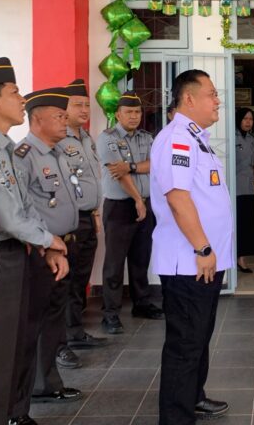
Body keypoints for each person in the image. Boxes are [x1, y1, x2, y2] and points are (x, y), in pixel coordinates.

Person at [0, 58, 68, 425]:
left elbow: (25, 205)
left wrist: (44, 244)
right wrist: (49, 240)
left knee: (20, 340)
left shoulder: (5, 148)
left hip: (18, 253)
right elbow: (7, 215)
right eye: (15, 93)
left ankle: (15, 413)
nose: (22, 99)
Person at [151, 69, 232, 425]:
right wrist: (202, 248)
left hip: (201, 262)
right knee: (185, 345)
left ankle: (193, 397)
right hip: (189, 262)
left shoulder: (195, 138)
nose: (217, 101)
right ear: (188, 99)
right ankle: (176, 417)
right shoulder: (177, 140)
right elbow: (178, 198)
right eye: (212, 94)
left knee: (198, 339)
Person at [9, 88, 82, 423]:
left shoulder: (58, 152)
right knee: (34, 324)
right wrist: (46, 245)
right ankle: (25, 398)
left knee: (53, 319)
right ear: (37, 119)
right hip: (40, 252)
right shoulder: (24, 155)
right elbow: (20, 209)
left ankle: (48, 382)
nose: (65, 122)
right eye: (59, 116)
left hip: (63, 246)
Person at [97, 90, 163, 335]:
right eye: (129, 112)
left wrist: (133, 166)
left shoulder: (146, 137)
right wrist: (137, 199)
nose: (134, 116)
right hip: (120, 207)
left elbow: (155, 164)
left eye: (137, 112)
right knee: (114, 263)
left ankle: (141, 303)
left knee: (140, 258)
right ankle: (110, 314)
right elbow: (118, 172)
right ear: (118, 114)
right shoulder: (107, 138)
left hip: (144, 204)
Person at [55, 79, 106, 370]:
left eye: (87, 104)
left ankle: (75, 332)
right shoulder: (60, 140)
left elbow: (91, 180)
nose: (85, 109)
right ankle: (59, 343)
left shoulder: (86, 138)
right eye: (78, 105)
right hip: (70, 220)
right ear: (65, 108)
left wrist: (96, 215)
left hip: (88, 217)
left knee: (80, 279)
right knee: (65, 282)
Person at [235, 107, 254, 273]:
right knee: (237, 223)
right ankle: (236, 258)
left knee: (247, 223)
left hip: (248, 187)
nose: (248, 122)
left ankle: (242, 258)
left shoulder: (252, 139)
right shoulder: (232, 137)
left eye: (250, 119)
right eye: (245, 119)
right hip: (235, 188)